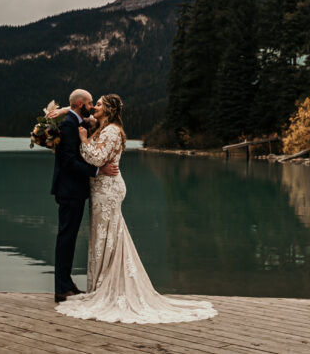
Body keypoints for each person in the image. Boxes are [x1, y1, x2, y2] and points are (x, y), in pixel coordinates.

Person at [54, 94, 216, 324]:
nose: (94, 107)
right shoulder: (102, 127)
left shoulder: (111, 131)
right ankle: (100, 284)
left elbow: (98, 159)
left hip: (108, 190)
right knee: (105, 237)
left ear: (109, 110)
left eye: (98, 104)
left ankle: (106, 286)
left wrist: (84, 141)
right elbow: (76, 113)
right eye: (93, 103)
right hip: (101, 190)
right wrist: (62, 114)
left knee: (107, 237)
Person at [51, 89, 119, 303]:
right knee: (66, 238)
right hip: (70, 191)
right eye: (90, 103)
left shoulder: (75, 120)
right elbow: (69, 162)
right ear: (81, 103)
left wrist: (63, 109)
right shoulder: (70, 125)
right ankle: (62, 288)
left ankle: (66, 284)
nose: (92, 107)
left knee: (69, 238)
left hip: (73, 190)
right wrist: (98, 171)